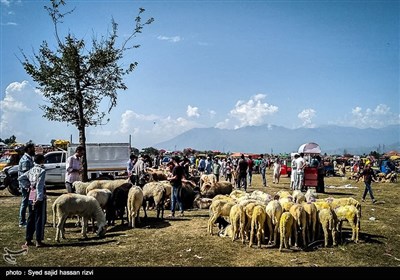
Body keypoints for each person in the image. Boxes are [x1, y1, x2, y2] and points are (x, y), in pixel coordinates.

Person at [18, 154, 47, 247]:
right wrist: (39, 198)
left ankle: (28, 239)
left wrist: (28, 186)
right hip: (38, 195)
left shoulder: (31, 170)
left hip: (31, 193)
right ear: (42, 160)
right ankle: (38, 240)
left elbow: (21, 178)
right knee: (39, 218)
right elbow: (40, 185)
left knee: (31, 216)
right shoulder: (42, 170)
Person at [18, 142, 35, 227]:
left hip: (30, 185)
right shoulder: (25, 160)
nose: (34, 150)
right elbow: (25, 174)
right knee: (25, 202)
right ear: (28, 149)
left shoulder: (29, 158)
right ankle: (22, 221)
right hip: (26, 185)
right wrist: (28, 185)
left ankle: (30, 219)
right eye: (33, 148)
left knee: (30, 202)